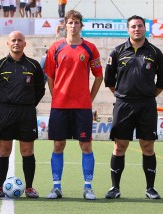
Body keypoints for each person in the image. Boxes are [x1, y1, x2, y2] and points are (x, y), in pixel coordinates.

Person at [104, 15, 163, 200]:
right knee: (120, 145)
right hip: (123, 105)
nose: (137, 29)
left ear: (144, 28)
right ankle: (115, 188)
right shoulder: (117, 52)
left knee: (147, 146)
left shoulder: (155, 53)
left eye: (140, 26)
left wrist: (145, 97)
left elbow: (162, 82)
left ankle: (150, 189)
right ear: (128, 29)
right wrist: (125, 96)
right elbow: (109, 81)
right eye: (133, 26)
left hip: (147, 105)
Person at [44, 10, 103, 200]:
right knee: (58, 145)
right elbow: (50, 77)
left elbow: (99, 76)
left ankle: (88, 187)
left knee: (85, 146)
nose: (73, 25)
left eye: (77, 22)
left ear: (81, 25)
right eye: (70, 22)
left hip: (82, 106)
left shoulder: (90, 48)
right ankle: (56, 187)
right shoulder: (55, 47)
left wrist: (89, 98)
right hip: (60, 106)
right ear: (65, 25)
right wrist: (56, 98)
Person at [0, 31, 45, 198]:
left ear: (25, 44)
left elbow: (40, 90)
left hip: (26, 112)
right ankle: (0, 187)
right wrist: (6, 103)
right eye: (13, 40)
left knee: (27, 151)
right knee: (3, 150)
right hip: (5, 112)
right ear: (8, 43)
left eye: (20, 40)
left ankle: (29, 188)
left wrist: (27, 104)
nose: (16, 43)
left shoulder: (34, 66)